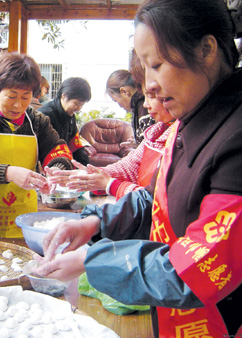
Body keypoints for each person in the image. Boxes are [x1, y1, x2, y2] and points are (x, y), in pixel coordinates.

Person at [36, 0, 242, 336]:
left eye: (157, 64)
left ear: (207, 50)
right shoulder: (186, 122)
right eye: (145, 68)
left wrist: (93, 261)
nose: (150, 86)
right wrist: (96, 223)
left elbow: (196, 272)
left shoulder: (235, 137)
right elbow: (156, 201)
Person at [0, 52, 74, 238]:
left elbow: (56, 148)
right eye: (11, 96)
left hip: (21, 216)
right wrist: (8, 173)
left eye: (25, 97)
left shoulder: (37, 122)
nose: (18, 105)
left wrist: (56, 169)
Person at [51, 87, 175, 200]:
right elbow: (130, 167)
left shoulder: (179, 138)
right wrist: (93, 176)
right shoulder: (156, 131)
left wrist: (110, 184)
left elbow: (160, 201)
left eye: (152, 96)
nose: (146, 104)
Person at [38, 77, 91, 166]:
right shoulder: (46, 115)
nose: (78, 108)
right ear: (64, 96)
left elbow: (75, 145)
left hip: (63, 162)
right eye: (76, 104)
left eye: (82, 105)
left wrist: (85, 167)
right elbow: (45, 150)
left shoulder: (70, 117)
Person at [106, 68, 155, 145]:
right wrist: (136, 142)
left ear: (124, 91)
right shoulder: (139, 104)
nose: (120, 106)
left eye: (116, 101)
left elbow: (150, 146)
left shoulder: (143, 107)